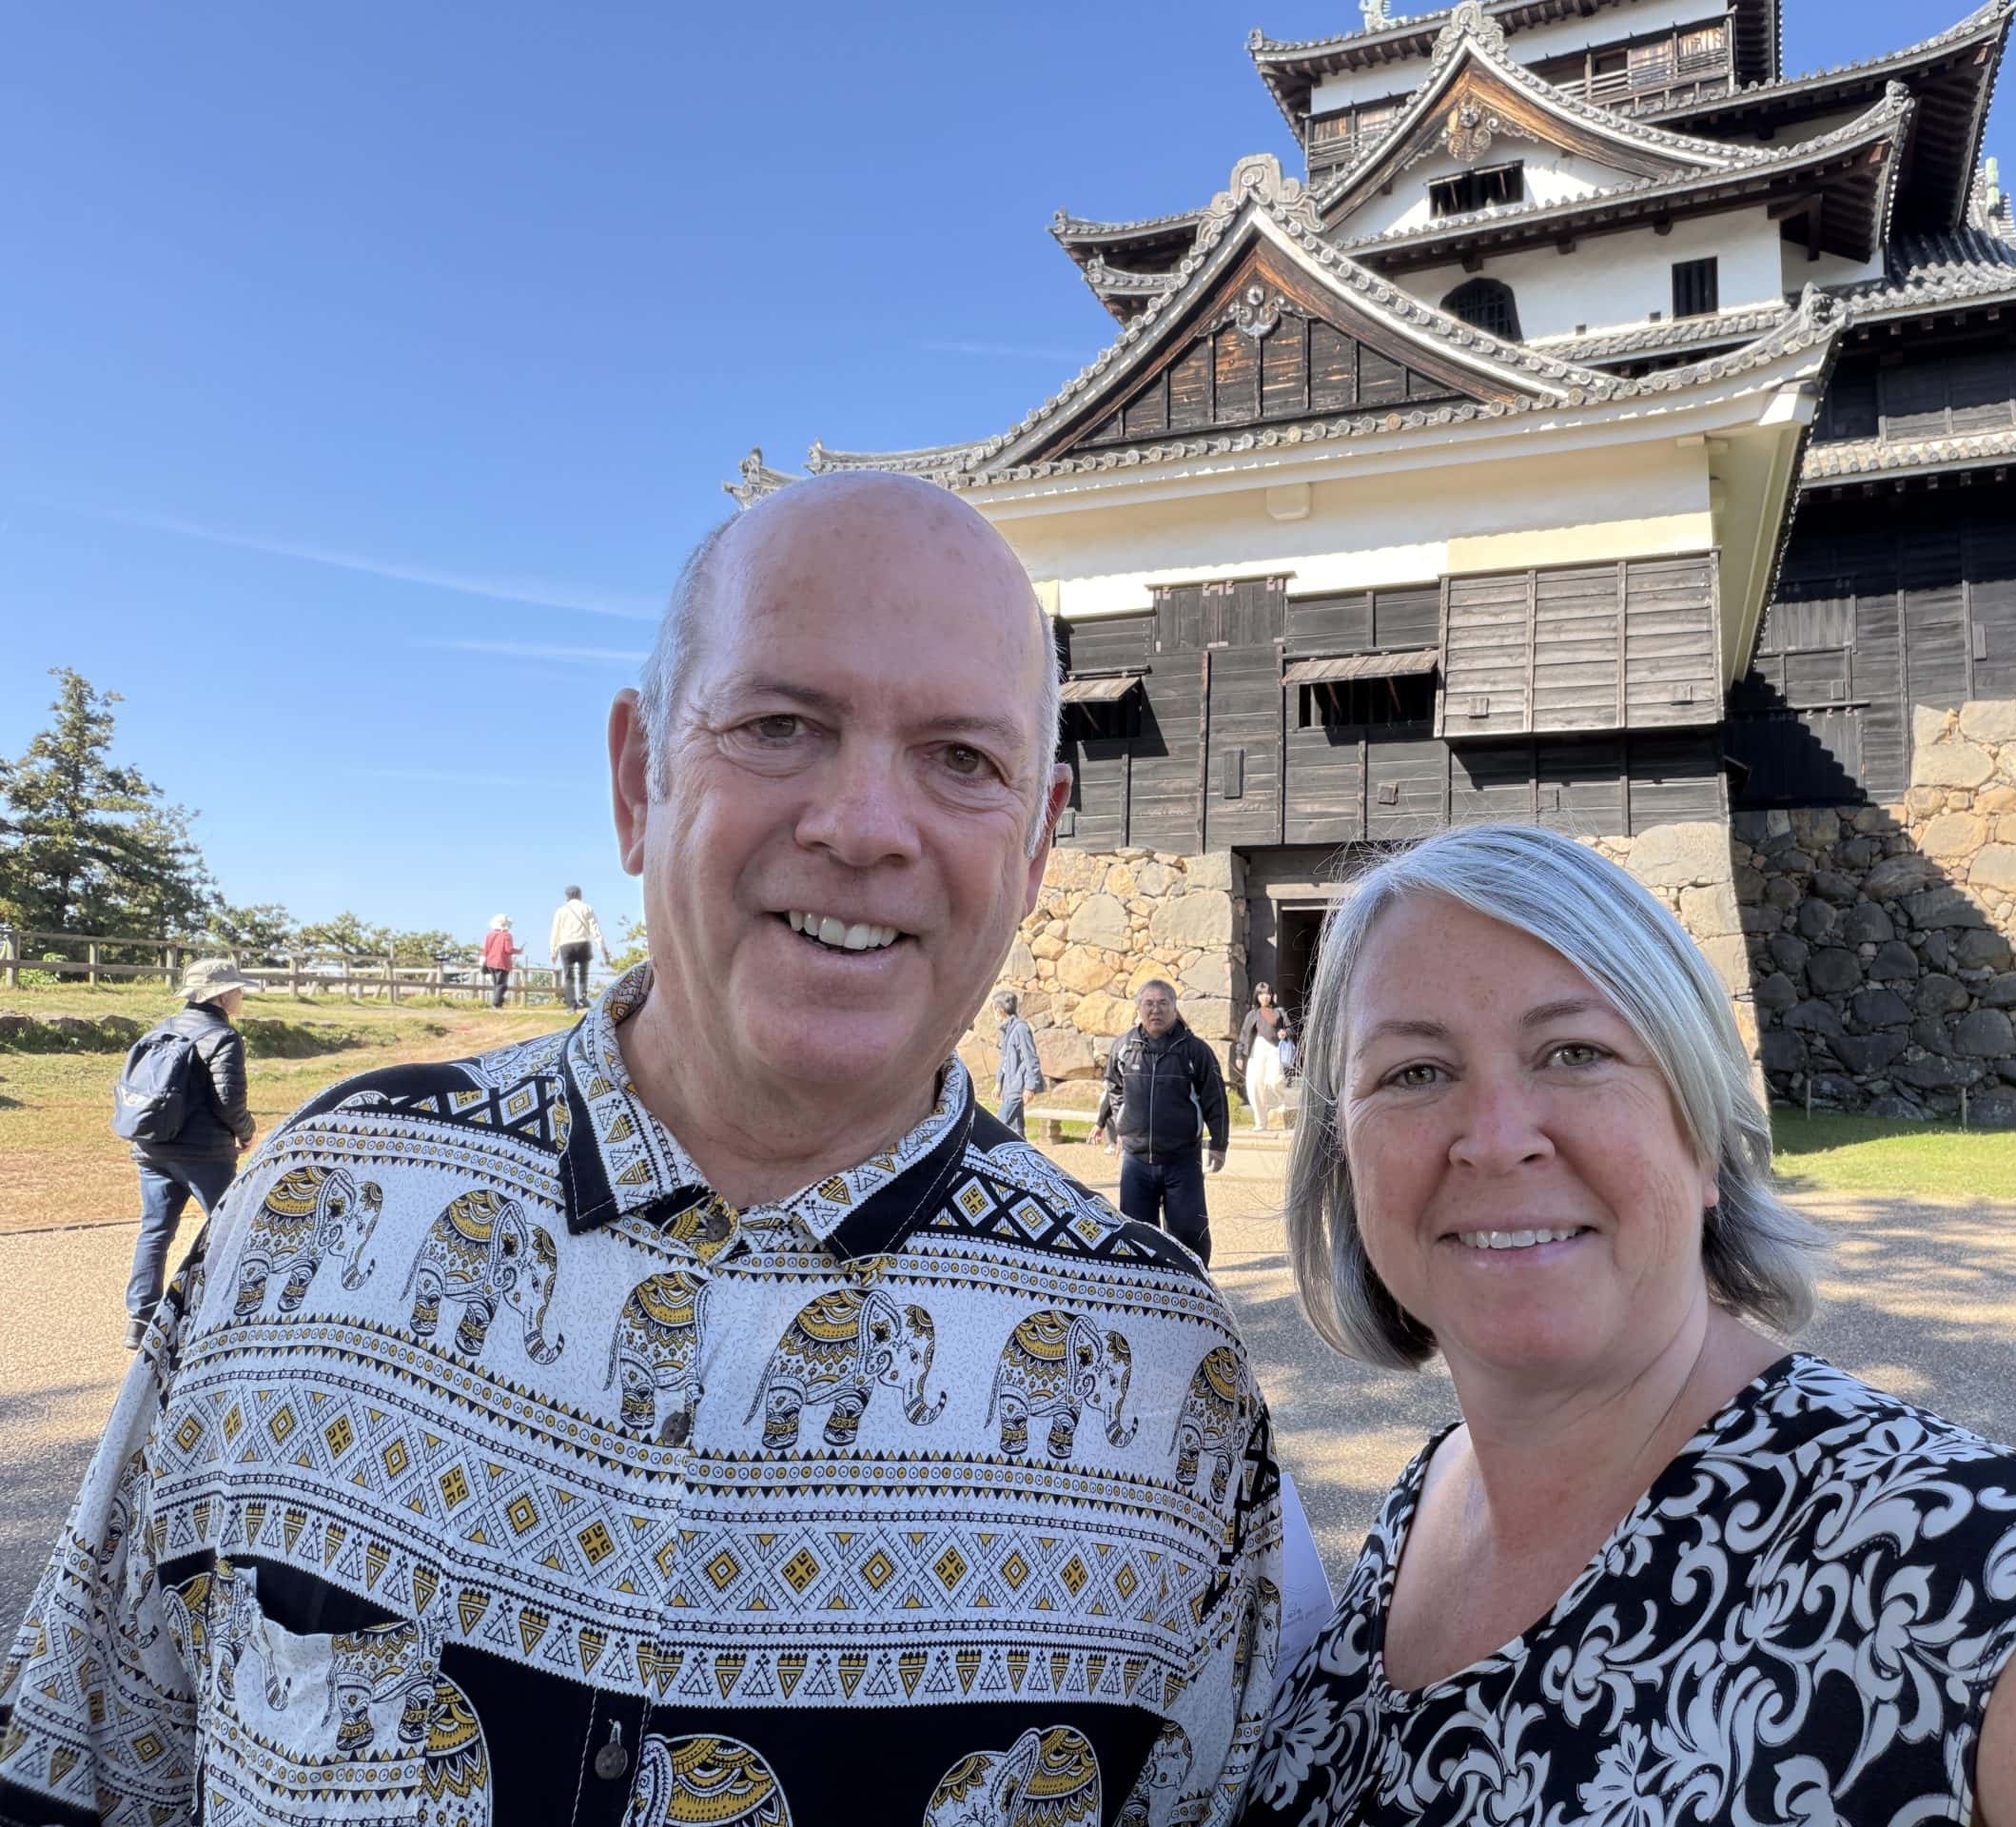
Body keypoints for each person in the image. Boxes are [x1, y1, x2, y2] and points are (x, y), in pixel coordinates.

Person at [0, 474, 1299, 1826]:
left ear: (1035, 848)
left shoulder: (1170, 1387)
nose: (862, 826)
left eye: (963, 760)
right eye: (780, 726)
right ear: (638, 781)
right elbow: (78, 1769)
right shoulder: (317, 1208)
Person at [1244, 823, 2016, 1827]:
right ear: (1341, 1162)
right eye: (1412, 1073)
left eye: (1576, 1052)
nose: (1496, 1137)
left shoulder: (1961, 1574)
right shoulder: (1424, 1503)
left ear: (1704, 1138)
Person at [115, 957, 259, 1349]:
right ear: (221, 996)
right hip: (204, 1154)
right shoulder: (223, 1037)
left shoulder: (161, 1029)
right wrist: (247, 1133)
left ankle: (140, 1319)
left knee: (155, 1230)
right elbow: (229, 1102)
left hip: (152, 1147)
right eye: (237, 989)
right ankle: (226, 1310)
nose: (241, 995)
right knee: (230, 1228)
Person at [1091, 981, 1227, 1263]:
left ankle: (1194, 1284)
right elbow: (1113, 1087)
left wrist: (1219, 1144)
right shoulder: (1124, 1047)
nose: (1156, 1010)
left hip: (1183, 1160)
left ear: (1174, 1008)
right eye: (1149, 1004)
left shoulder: (1195, 1051)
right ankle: (1143, 1287)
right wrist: (1122, 1122)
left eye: (1163, 1003)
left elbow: (1215, 1099)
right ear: (1139, 1008)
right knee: (1137, 1236)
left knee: (1189, 1234)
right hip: (1136, 1161)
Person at [1234, 981, 1295, 1132]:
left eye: (1267, 993)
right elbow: (1244, 1034)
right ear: (1257, 996)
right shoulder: (1252, 1014)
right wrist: (1239, 1054)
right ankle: (1260, 1122)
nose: (1264, 996)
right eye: (1261, 994)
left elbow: (1291, 1029)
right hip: (1257, 1049)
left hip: (1274, 1049)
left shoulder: (1279, 1011)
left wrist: (1284, 1032)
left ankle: (1283, 1102)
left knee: (1274, 1081)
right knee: (1255, 1085)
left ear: (1272, 995)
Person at [993, 988, 1045, 1135]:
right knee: (1016, 1131)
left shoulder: (1021, 1029)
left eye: (994, 1008)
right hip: (1008, 1087)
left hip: (1016, 1088)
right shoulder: (1007, 1030)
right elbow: (1005, 1059)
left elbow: (1031, 1059)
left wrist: (1030, 1087)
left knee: (997, 1127)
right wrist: (998, 1082)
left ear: (1000, 1010)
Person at [549, 881, 608, 1008]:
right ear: (579, 894)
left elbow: (555, 932)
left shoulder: (560, 911)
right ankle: (583, 998)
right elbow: (595, 929)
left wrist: (553, 951)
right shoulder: (586, 908)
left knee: (568, 975)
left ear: (567, 896)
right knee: (583, 973)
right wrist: (602, 946)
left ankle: (571, 1003)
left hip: (566, 945)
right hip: (583, 943)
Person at [480, 912, 519, 1008]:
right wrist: (519, 951)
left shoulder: (489, 935)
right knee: (502, 985)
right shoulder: (507, 935)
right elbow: (508, 950)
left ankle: (498, 1004)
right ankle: (496, 1004)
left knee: (496, 985)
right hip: (502, 963)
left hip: (490, 963)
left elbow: (485, 950)